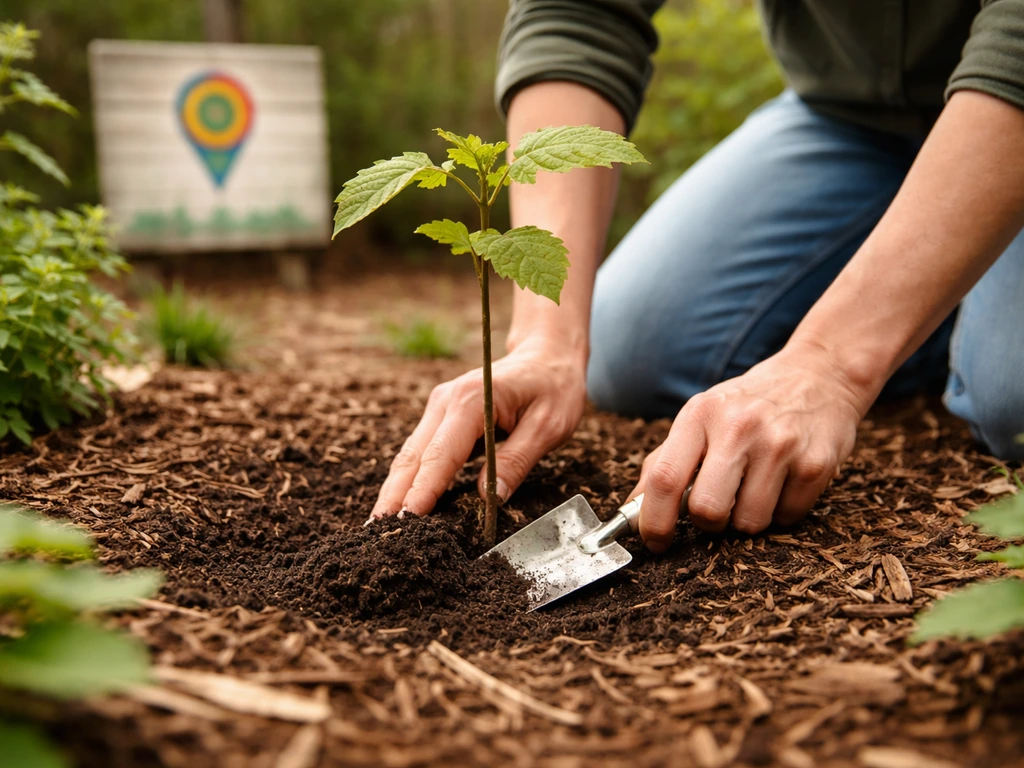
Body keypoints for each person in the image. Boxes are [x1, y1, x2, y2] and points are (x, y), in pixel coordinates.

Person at [372, 0, 1024, 552]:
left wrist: (832, 365)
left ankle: (943, 309)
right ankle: (936, 303)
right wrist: (546, 338)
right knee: (633, 346)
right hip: (848, 121)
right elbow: (579, 11)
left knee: (1010, 394)